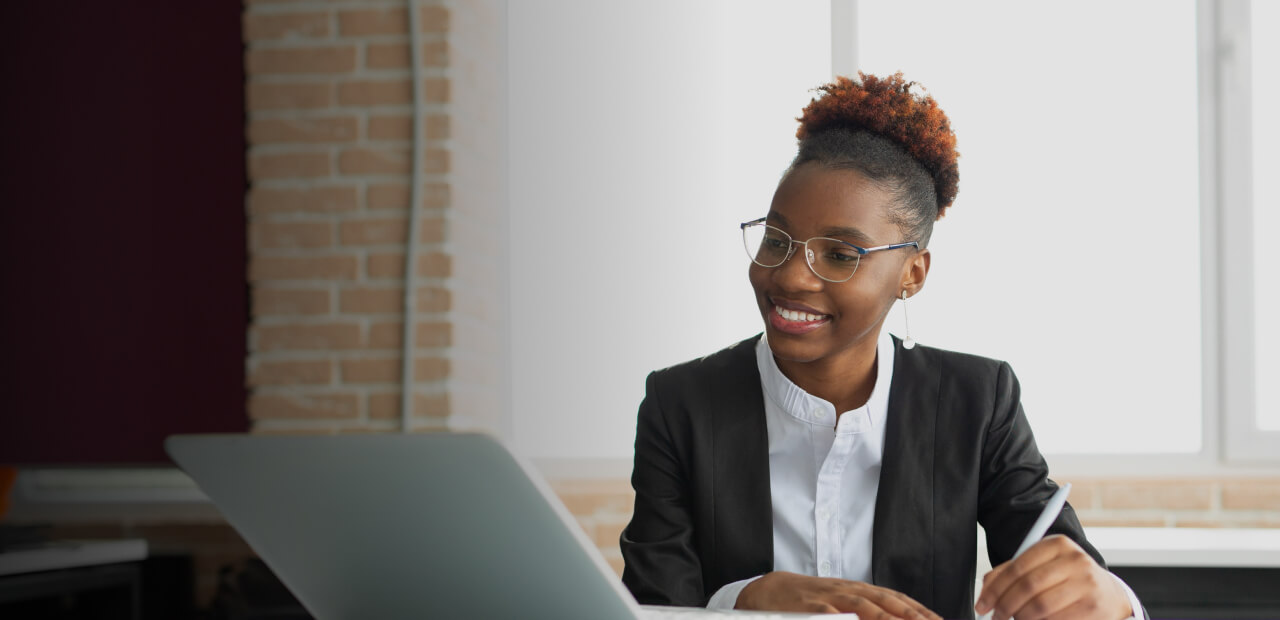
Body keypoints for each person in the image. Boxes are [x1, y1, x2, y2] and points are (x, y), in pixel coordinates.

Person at [619, 73, 1144, 620]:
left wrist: (1111, 601)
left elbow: (1069, 579)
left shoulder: (978, 401)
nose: (792, 277)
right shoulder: (681, 404)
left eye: (841, 254)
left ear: (912, 274)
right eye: (777, 241)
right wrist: (746, 599)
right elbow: (654, 605)